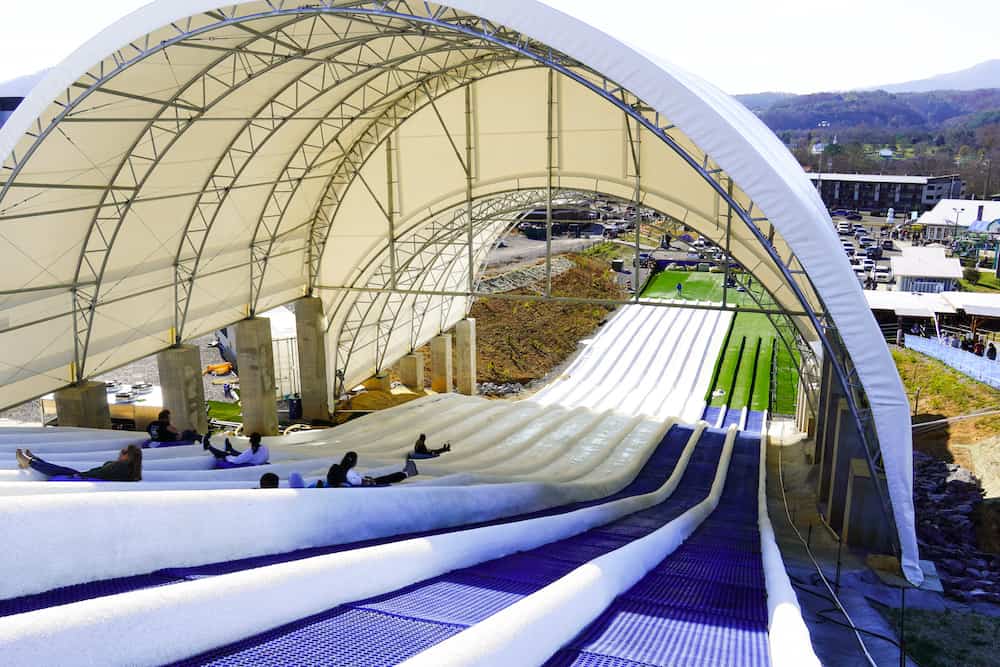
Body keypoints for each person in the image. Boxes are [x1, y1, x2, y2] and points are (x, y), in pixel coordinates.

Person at [16, 445, 143, 481]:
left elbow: (103, 473)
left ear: (129, 458)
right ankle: (31, 460)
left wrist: (81, 476)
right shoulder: (128, 471)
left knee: (60, 470)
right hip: (88, 476)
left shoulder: (121, 467)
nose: (121, 452)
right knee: (61, 469)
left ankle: (30, 461)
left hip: (87, 478)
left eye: (124, 452)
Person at [319, 451, 418, 487]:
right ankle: (407, 473)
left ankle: (405, 473)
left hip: (343, 483)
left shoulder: (335, 467)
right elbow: (356, 482)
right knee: (385, 479)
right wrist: (368, 481)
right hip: (360, 485)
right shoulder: (349, 472)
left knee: (382, 478)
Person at [204, 432, 269, 469]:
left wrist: (228, 457)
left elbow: (237, 461)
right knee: (238, 454)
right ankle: (230, 449)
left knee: (225, 454)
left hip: (249, 463)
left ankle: (208, 447)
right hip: (252, 460)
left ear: (250, 440)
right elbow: (246, 456)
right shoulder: (264, 448)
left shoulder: (251, 451)